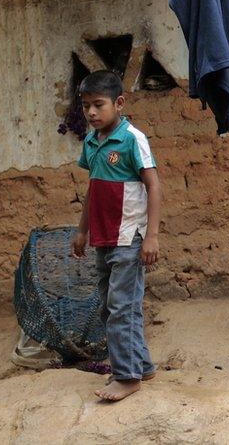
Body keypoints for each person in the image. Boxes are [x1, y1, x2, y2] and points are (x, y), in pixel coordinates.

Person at [70, 70, 161, 401]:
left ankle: (126, 377)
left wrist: (151, 237)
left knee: (121, 306)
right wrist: (82, 231)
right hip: (103, 239)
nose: (91, 113)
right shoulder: (91, 142)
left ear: (119, 103)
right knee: (115, 309)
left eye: (98, 105)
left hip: (129, 238)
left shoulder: (132, 139)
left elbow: (153, 186)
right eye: (85, 106)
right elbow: (93, 189)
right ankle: (142, 366)